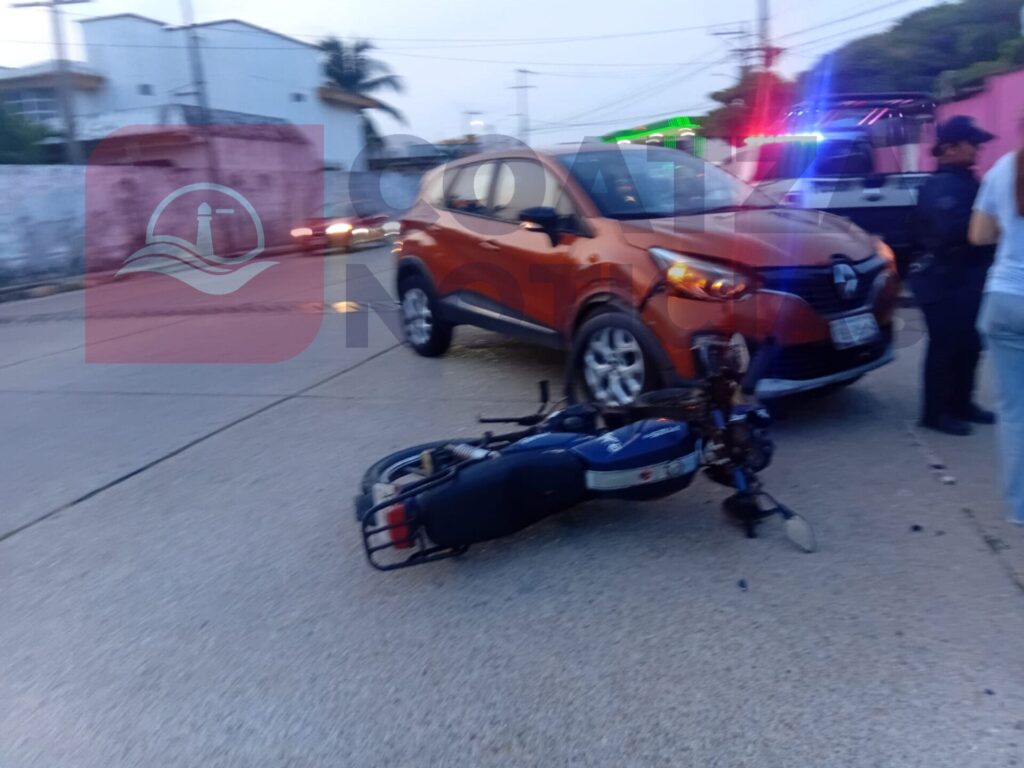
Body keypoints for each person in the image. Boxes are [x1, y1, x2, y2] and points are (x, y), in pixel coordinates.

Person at [910, 116, 997, 435]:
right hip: (942, 278)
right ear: (949, 148)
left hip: (965, 276)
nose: (977, 149)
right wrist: (993, 226)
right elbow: (953, 230)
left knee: (970, 344)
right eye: (972, 144)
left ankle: (961, 403)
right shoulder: (943, 186)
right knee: (946, 345)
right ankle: (934, 413)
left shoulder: (965, 181)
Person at [970, 139, 1024, 526]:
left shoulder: (1004, 168)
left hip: (1003, 299)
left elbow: (979, 234)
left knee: (1014, 412)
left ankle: (1020, 507)